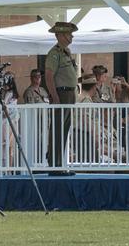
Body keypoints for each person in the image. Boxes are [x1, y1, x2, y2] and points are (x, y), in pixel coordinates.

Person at [44, 21, 78, 171]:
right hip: (61, 94)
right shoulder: (54, 53)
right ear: (61, 35)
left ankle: (59, 163)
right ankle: (54, 164)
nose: (72, 37)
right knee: (58, 129)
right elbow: (49, 76)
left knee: (64, 129)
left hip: (69, 94)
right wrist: (55, 97)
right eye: (69, 34)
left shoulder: (66, 52)